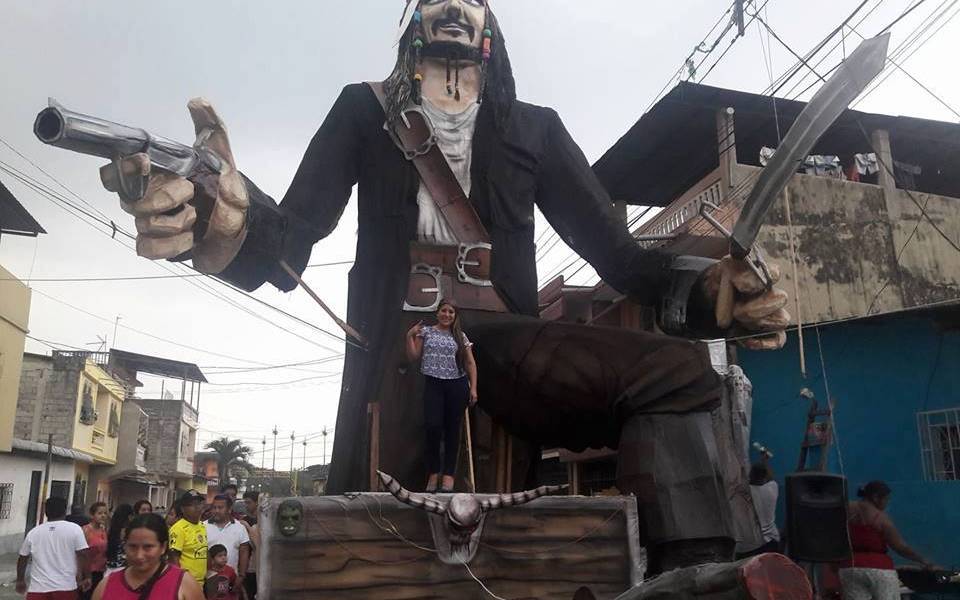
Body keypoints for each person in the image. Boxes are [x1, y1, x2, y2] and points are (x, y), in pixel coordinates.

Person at [97, 0, 789, 571]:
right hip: (392, 336)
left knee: (683, 371)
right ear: (412, 20)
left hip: (501, 340)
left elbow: (619, 257)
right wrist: (217, 220)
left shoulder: (535, 129)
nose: (454, 3)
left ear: (489, 25)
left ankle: (695, 576)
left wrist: (712, 294)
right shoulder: (362, 112)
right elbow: (292, 239)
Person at [406, 299, 478, 492]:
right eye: (444, 311)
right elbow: (413, 357)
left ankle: (448, 476)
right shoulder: (426, 332)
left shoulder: (460, 336)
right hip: (434, 384)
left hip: (457, 384)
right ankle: (433, 472)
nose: (447, 315)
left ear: (455, 316)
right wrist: (409, 336)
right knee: (433, 427)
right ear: (437, 313)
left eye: (451, 312)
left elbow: (470, 363)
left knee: (453, 430)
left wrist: (473, 389)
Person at [839, 481, 936, 599]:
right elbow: (900, 547)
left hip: (849, 568)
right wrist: (923, 560)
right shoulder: (882, 519)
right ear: (875, 498)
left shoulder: (845, 509)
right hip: (879, 569)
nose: (887, 503)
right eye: (886, 499)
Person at [92, 513, 204, 600]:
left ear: (163, 547)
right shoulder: (106, 585)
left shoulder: (184, 584)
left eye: (148, 547)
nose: (139, 555)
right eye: (133, 546)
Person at [16, 496, 91, 599]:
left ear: (46, 512)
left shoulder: (34, 532)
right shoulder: (74, 529)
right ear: (65, 511)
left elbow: (23, 558)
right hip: (66, 587)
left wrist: (20, 580)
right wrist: (87, 576)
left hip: (38, 589)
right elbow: (83, 554)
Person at [737, 450, 779, 558]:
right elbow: (770, 476)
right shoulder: (771, 489)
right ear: (765, 477)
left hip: (746, 546)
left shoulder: (744, 492)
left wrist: (762, 462)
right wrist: (764, 460)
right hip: (769, 542)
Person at [204, 495, 250, 592]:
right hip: (207, 580)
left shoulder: (239, 528)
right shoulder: (203, 527)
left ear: (229, 509)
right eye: (214, 507)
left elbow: (244, 553)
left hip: (231, 580)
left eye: (220, 508)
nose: (216, 511)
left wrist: (241, 577)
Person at [168, 490, 208, 586]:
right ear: (182, 509)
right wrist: (179, 581)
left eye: (199, 504)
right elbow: (174, 558)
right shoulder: (178, 528)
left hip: (201, 582)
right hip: (185, 583)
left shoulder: (202, 526)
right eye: (192, 505)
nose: (196, 508)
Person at [81, 503, 109, 599]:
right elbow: (82, 553)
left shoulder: (103, 530)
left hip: (100, 570)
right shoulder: (85, 530)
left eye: (105, 513)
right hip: (87, 571)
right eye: (100, 513)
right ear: (92, 515)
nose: (103, 516)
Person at [105, 504, 135, 575]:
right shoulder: (128, 530)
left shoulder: (111, 529)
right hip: (123, 566)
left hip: (109, 566)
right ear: (129, 516)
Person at [240, 492, 259, 600]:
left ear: (257, 503)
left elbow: (258, 544)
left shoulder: (263, 521)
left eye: (249, 502)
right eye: (245, 503)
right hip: (247, 567)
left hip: (256, 566)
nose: (246, 505)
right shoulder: (243, 520)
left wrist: (248, 527)